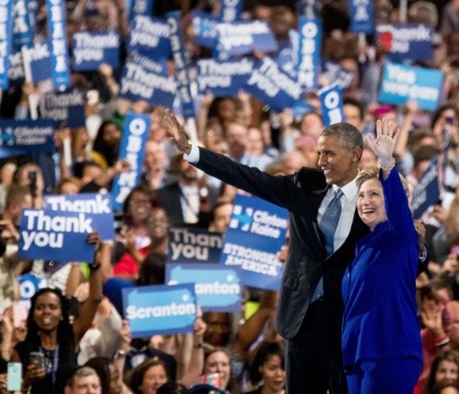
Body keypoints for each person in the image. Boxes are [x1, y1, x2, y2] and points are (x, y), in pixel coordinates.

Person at [164, 110, 368, 394]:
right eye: (319, 154)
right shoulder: (304, 188)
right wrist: (192, 151)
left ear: (356, 153)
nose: (321, 162)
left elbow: (399, 252)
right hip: (301, 318)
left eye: (330, 154)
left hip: (347, 320)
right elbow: (246, 177)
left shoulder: (373, 199)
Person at [341, 120, 422, 393]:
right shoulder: (361, 247)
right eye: (362, 195)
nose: (365, 201)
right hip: (357, 355)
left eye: (374, 194)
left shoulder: (399, 237)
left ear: (389, 196)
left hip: (390, 352)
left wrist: (386, 163)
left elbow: (400, 210)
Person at [12, 231, 104, 394]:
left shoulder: (72, 336)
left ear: (62, 314)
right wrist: (26, 382)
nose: (46, 312)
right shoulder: (18, 351)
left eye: (52, 307)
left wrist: (94, 262)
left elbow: (96, 299)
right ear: (32, 314)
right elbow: (11, 390)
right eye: (40, 308)